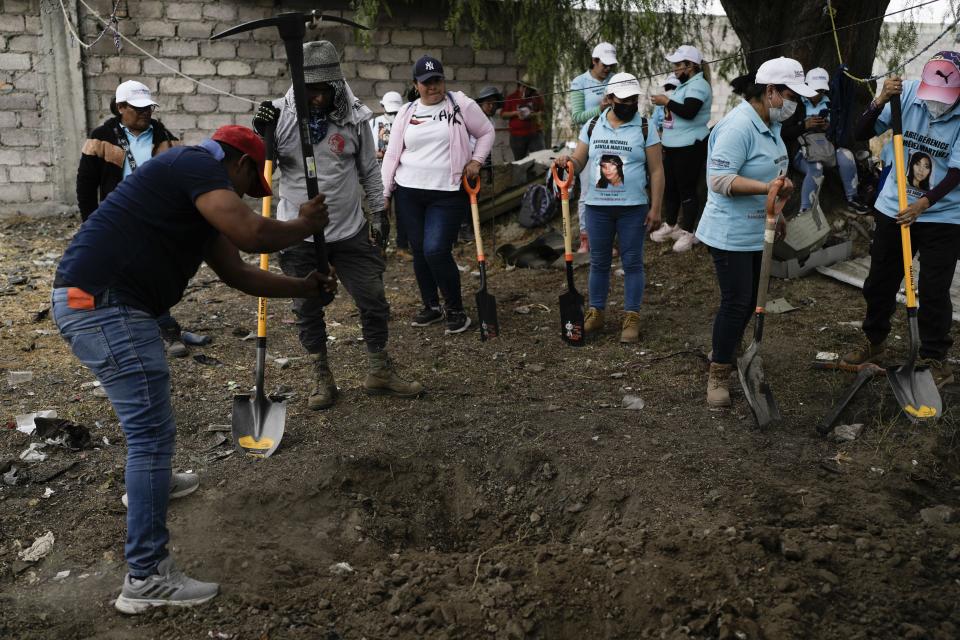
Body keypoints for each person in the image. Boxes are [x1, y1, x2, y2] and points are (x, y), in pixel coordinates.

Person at [52, 124, 336, 614]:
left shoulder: (190, 192)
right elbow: (251, 231)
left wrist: (306, 287)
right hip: (104, 304)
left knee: (151, 434)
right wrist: (304, 226)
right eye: (248, 186)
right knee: (150, 437)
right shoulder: (193, 164)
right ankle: (146, 577)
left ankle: (152, 485)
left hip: (97, 301)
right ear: (240, 163)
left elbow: (239, 273)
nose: (245, 195)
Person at [254, 41, 423, 410]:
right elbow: (259, 172)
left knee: (374, 299)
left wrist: (379, 213)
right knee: (307, 308)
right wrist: (259, 138)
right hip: (297, 233)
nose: (315, 99)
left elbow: (369, 171)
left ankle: (379, 369)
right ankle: (321, 376)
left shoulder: (355, 118)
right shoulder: (281, 115)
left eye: (322, 91)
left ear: (335, 86)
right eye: (308, 91)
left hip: (349, 230)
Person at [696, 57, 815, 407]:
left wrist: (776, 213)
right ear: (770, 91)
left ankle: (729, 347)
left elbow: (773, 174)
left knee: (749, 300)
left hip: (757, 230)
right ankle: (718, 372)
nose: (795, 105)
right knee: (737, 301)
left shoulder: (772, 125)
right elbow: (718, 180)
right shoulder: (738, 127)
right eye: (791, 96)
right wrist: (768, 189)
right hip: (729, 232)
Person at [841, 51, 960, 387]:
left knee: (934, 289)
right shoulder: (905, 94)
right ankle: (874, 341)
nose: (938, 105)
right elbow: (860, 131)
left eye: (946, 99)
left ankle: (935, 358)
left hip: (943, 214)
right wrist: (879, 100)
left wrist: (925, 202)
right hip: (894, 205)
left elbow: (956, 171)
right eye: (933, 96)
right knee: (880, 278)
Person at [381, 55, 495, 334]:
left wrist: (477, 161)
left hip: (448, 191)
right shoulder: (407, 112)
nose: (433, 86)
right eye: (426, 82)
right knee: (419, 251)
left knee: (435, 249)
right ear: (416, 85)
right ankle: (431, 306)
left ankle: (455, 308)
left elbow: (486, 132)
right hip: (408, 191)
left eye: (437, 80)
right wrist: (384, 193)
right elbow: (393, 153)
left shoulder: (460, 105)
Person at [76, 80, 190, 358]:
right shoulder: (102, 137)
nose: (144, 113)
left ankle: (163, 327)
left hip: (154, 218)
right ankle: (127, 328)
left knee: (155, 273)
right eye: (137, 108)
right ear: (120, 107)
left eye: (148, 108)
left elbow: (181, 177)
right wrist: (90, 222)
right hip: (116, 217)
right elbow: (86, 183)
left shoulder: (164, 138)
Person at [553, 72, 664, 344]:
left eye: (633, 99)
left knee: (633, 263)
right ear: (610, 98)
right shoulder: (592, 125)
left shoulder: (646, 127)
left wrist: (656, 208)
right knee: (599, 263)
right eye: (624, 99)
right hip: (597, 208)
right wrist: (567, 162)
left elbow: (657, 170)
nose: (629, 104)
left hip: (632, 208)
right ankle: (596, 312)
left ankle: (631, 316)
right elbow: (579, 161)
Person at [779, 67, 871, 214]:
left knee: (846, 154)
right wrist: (805, 125)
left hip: (827, 149)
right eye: (815, 90)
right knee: (816, 167)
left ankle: (852, 199)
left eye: (821, 91)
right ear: (806, 87)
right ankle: (805, 211)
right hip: (803, 153)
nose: (817, 94)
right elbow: (784, 132)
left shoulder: (831, 105)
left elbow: (843, 136)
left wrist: (830, 127)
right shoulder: (796, 104)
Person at [649, 45, 713, 253]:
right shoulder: (684, 85)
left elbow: (689, 112)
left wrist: (665, 101)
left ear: (691, 66)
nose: (675, 69)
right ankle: (671, 225)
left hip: (690, 146)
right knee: (672, 187)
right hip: (673, 145)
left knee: (687, 189)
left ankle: (688, 231)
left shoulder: (699, 85)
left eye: (678, 65)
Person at [569, 42, 618, 253]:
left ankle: (606, 239)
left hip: (612, 141)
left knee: (610, 190)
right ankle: (586, 238)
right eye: (604, 64)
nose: (607, 69)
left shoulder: (615, 81)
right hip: (588, 143)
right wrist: (599, 109)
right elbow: (577, 116)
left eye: (611, 65)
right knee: (587, 192)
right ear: (594, 61)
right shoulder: (579, 82)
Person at [370, 90, 412, 262]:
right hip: (380, 174)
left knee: (403, 213)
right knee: (380, 213)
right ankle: (379, 248)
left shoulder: (407, 122)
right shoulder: (373, 123)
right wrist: (376, 154)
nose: (392, 115)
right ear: (382, 107)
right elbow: (367, 150)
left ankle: (402, 247)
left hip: (402, 174)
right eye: (390, 111)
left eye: (395, 111)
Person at [501, 74, 545, 161]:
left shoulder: (536, 98)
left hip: (535, 134)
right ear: (519, 86)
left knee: (540, 159)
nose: (525, 90)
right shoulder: (511, 98)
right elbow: (503, 114)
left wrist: (533, 115)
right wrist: (515, 113)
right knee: (520, 162)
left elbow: (543, 112)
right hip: (517, 136)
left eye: (527, 88)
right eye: (523, 87)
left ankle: (536, 174)